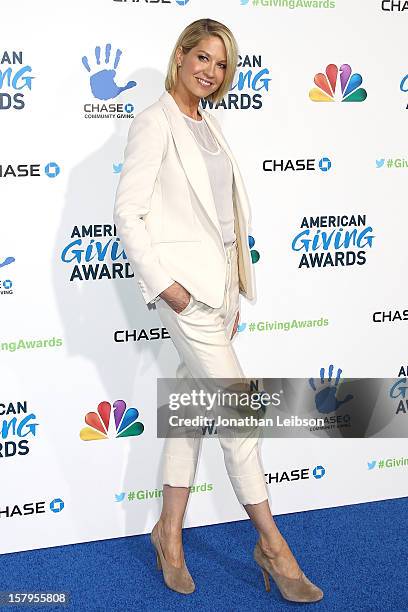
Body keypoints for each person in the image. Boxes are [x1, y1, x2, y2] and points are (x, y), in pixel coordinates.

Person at [113, 17, 323, 604]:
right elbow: (128, 213)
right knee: (242, 417)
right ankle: (274, 549)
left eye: (222, 64)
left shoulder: (208, 125)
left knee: (189, 407)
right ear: (179, 57)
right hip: (185, 294)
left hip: (219, 291)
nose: (211, 71)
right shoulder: (155, 122)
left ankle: (169, 536)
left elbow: (224, 221)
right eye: (202, 57)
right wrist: (166, 285)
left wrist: (232, 288)